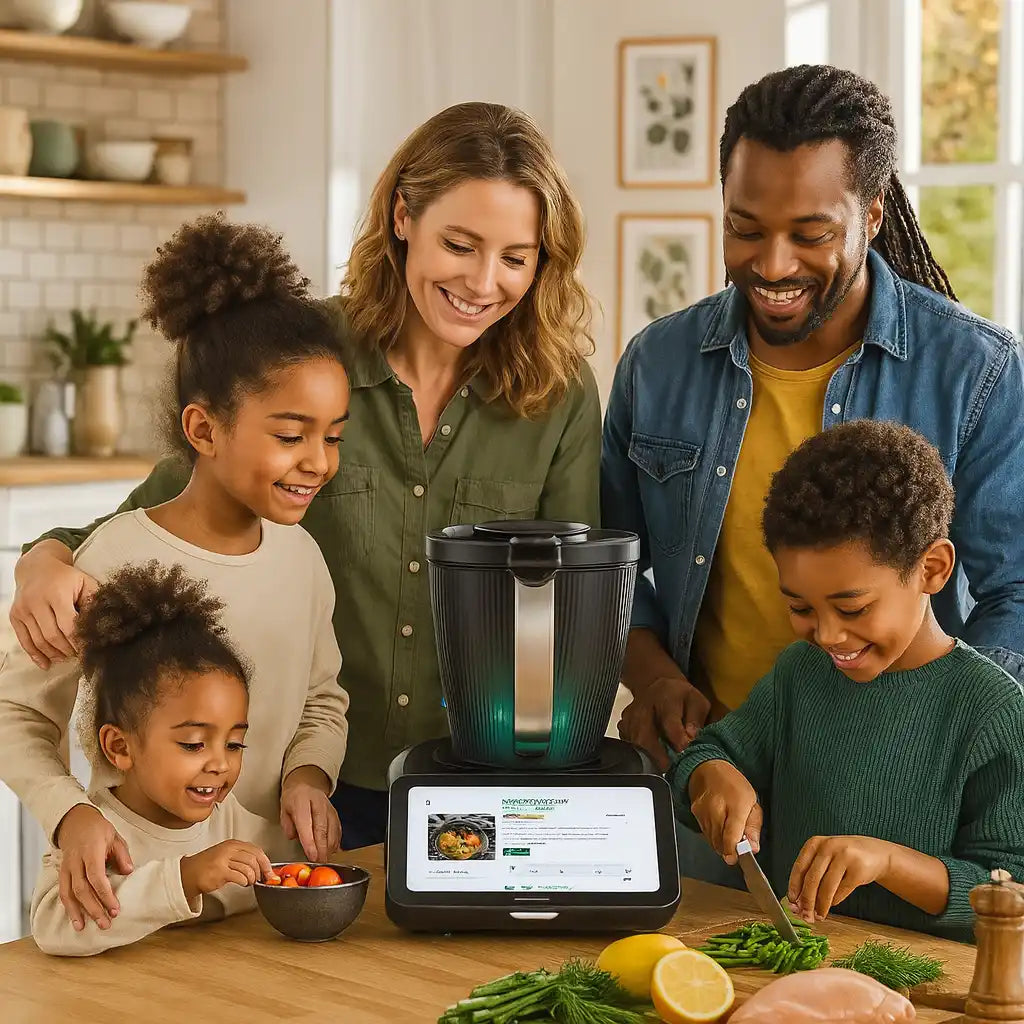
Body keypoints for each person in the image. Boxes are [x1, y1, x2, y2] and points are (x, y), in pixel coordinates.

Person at [8, 101, 601, 857]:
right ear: (401, 217)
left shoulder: (558, 393)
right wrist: (44, 559)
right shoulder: (306, 358)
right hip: (310, 787)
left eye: (517, 258)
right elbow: (163, 506)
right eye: (460, 243)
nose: (484, 282)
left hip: (477, 780)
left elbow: (572, 607)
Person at [603, 64, 1024, 780]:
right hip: (708, 775)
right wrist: (656, 679)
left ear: (874, 213)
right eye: (745, 228)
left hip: (896, 784)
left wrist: (935, 735)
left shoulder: (975, 370)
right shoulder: (658, 363)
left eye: (810, 233)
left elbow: (1013, 589)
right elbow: (609, 567)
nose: (772, 264)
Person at [0, 215, 349, 934]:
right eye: (291, 436)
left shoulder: (304, 559)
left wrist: (309, 773)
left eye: (333, 436)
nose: (318, 460)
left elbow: (321, 697)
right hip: (130, 910)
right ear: (203, 430)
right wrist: (68, 818)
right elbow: (15, 713)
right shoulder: (112, 561)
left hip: (260, 903)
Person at [671, 420, 1024, 943]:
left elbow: (1011, 896)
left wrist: (886, 861)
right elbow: (704, 755)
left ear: (932, 568)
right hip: (799, 967)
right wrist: (713, 774)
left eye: (852, 607)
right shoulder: (799, 675)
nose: (829, 635)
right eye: (800, 607)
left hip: (923, 988)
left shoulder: (992, 710)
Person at [32, 563, 286, 956]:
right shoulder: (95, 834)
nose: (220, 764)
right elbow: (54, 927)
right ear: (119, 747)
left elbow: (292, 866)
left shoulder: (229, 817)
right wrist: (184, 879)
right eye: (193, 744)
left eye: (235, 745)